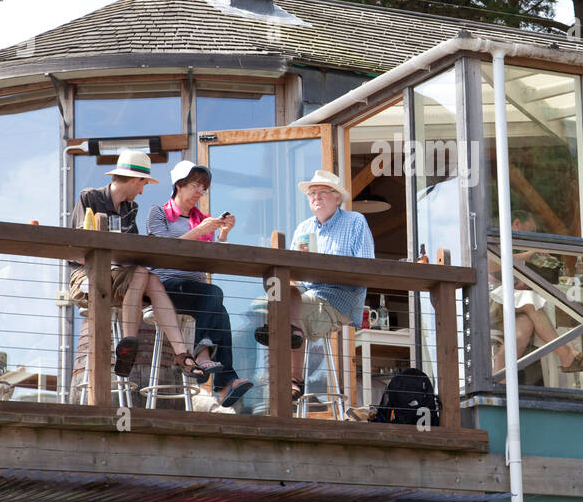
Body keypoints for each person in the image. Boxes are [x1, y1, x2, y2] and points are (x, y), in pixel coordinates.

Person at [70, 149, 215, 384]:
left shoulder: (131, 208)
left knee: (150, 277)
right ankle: (130, 341)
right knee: (142, 273)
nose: (142, 190)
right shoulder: (90, 197)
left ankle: (180, 354)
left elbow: (135, 253)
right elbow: (79, 248)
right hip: (88, 277)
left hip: (121, 278)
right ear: (136, 179)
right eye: (143, 184)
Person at [253, 170, 374, 402]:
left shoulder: (355, 221)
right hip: (306, 295)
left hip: (337, 298)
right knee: (270, 300)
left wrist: (324, 270)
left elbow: (366, 266)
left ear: (338, 198)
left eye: (322, 192)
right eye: (311, 193)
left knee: (282, 313)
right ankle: (290, 368)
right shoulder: (303, 228)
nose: (316, 197)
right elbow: (290, 272)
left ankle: (289, 382)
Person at [146, 160, 251, 409]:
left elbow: (213, 260)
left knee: (218, 308)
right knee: (214, 294)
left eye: (203, 188)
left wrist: (223, 235)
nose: (199, 192)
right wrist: (200, 230)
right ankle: (206, 359)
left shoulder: (202, 220)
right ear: (179, 185)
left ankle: (224, 383)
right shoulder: (158, 213)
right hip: (166, 287)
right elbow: (162, 251)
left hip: (196, 293)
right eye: (196, 185)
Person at [490, 211, 583, 380]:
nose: (532, 237)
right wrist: (528, 256)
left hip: (508, 304)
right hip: (486, 300)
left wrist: (527, 280)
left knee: (523, 329)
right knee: (532, 303)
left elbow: (512, 283)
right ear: (517, 224)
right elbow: (488, 263)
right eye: (532, 231)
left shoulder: (517, 250)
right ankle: (566, 354)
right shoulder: (497, 237)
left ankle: (500, 383)